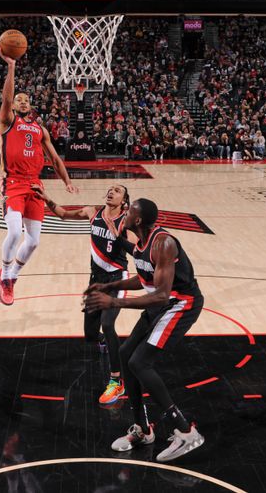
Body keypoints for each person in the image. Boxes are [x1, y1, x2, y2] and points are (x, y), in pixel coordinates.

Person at [85, 198, 205, 463]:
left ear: (137, 220)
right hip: (161, 303)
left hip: (180, 304)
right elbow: (143, 279)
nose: (124, 213)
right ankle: (142, 429)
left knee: (141, 362)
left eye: (130, 211)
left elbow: (161, 295)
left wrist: (114, 301)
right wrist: (107, 287)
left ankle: (186, 431)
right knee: (128, 354)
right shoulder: (141, 243)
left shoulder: (164, 243)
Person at [34, 183, 132, 405]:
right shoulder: (92, 212)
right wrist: (46, 199)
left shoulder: (125, 221)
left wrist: (120, 236)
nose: (111, 191)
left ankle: (117, 382)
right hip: (95, 281)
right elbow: (63, 214)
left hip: (117, 278)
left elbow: (136, 247)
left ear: (124, 201)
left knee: (108, 325)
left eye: (117, 190)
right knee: (90, 334)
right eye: (110, 188)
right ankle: (104, 342)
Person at [0, 47, 77, 306]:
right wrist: (11, 67)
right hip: (13, 184)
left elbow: (54, 159)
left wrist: (67, 180)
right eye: (19, 99)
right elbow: (6, 100)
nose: (22, 102)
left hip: (35, 185)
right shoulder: (8, 122)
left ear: (30, 106)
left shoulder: (40, 128)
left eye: (26, 101)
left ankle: (12, 276)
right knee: (14, 233)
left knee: (33, 242)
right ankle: (5, 274)